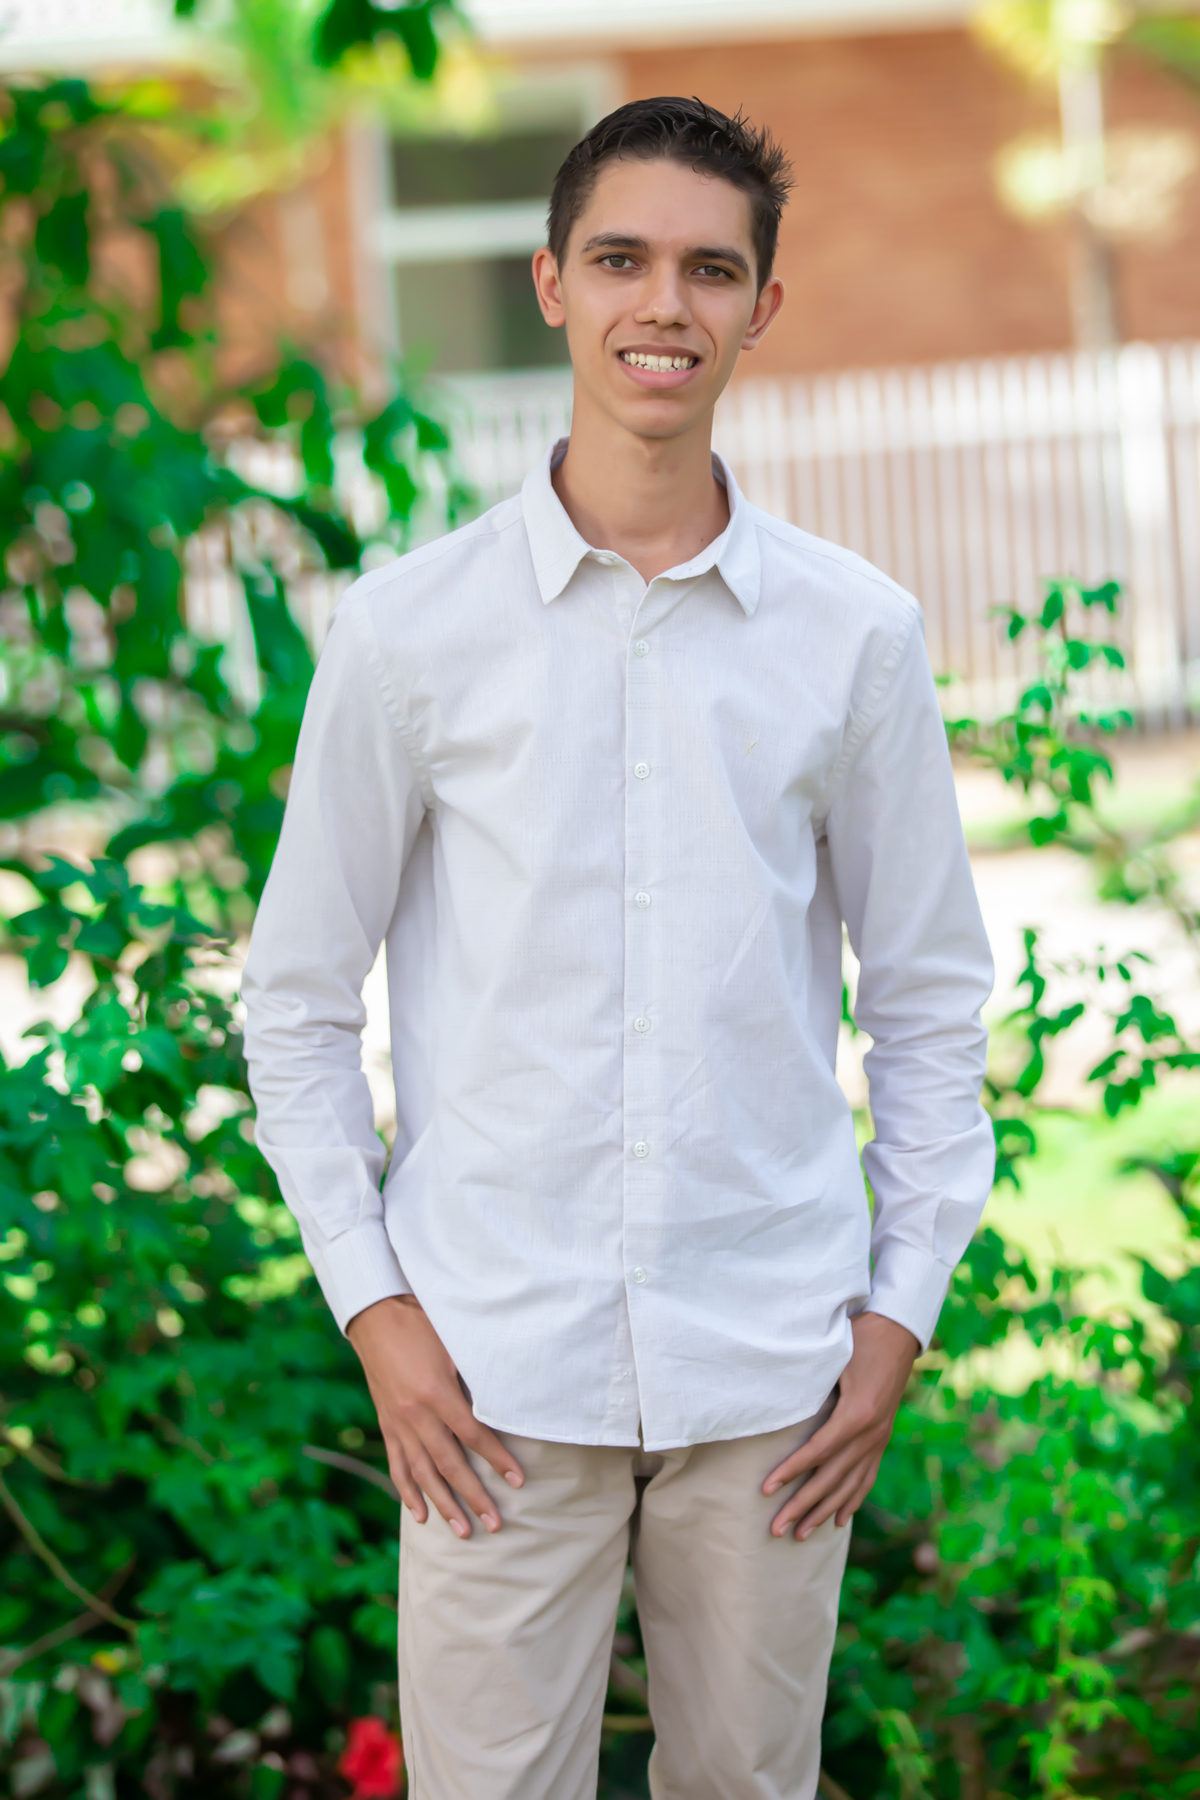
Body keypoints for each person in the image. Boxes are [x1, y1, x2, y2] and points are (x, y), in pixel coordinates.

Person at [241, 96, 994, 1800]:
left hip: (774, 1376)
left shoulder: (856, 637)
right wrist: (379, 1315)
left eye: (710, 270)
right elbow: (294, 1005)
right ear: (553, 285)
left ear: (761, 307)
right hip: (489, 1379)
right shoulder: (409, 633)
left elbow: (931, 1002)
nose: (666, 304)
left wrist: (898, 1321)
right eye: (622, 260)